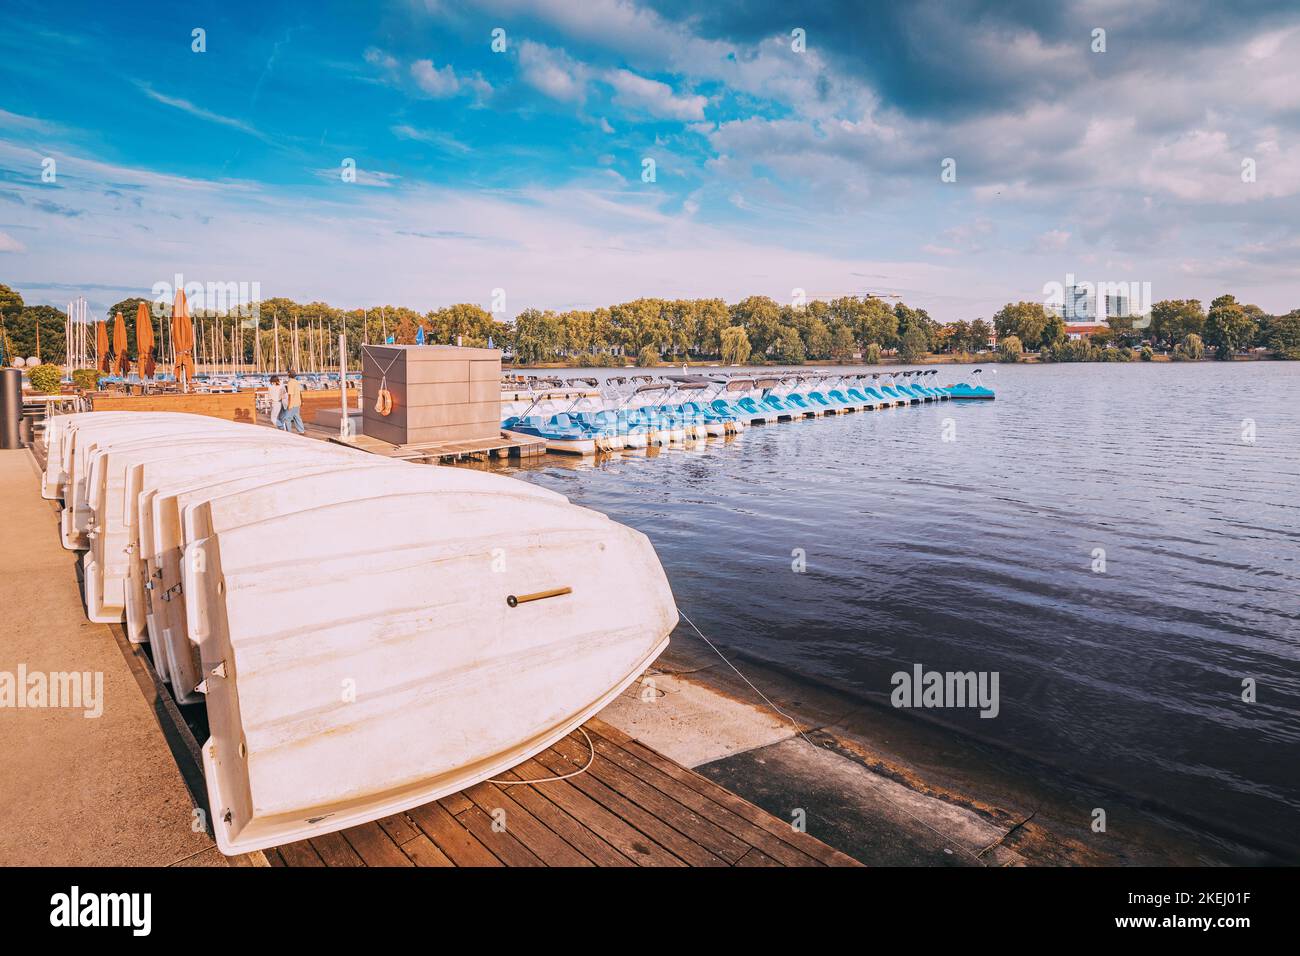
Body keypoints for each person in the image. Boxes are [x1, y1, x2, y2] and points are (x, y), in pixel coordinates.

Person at [281, 370, 306, 434]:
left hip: (293, 403)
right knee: (296, 417)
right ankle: (301, 430)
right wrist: (302, 401)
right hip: (298, 402)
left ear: (289, 374)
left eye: (287, 373)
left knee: (287, 418)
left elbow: (290, 395)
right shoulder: (296, 381)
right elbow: (299, 392)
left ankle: (288, 432)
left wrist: (289, 405)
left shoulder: (290, 383)